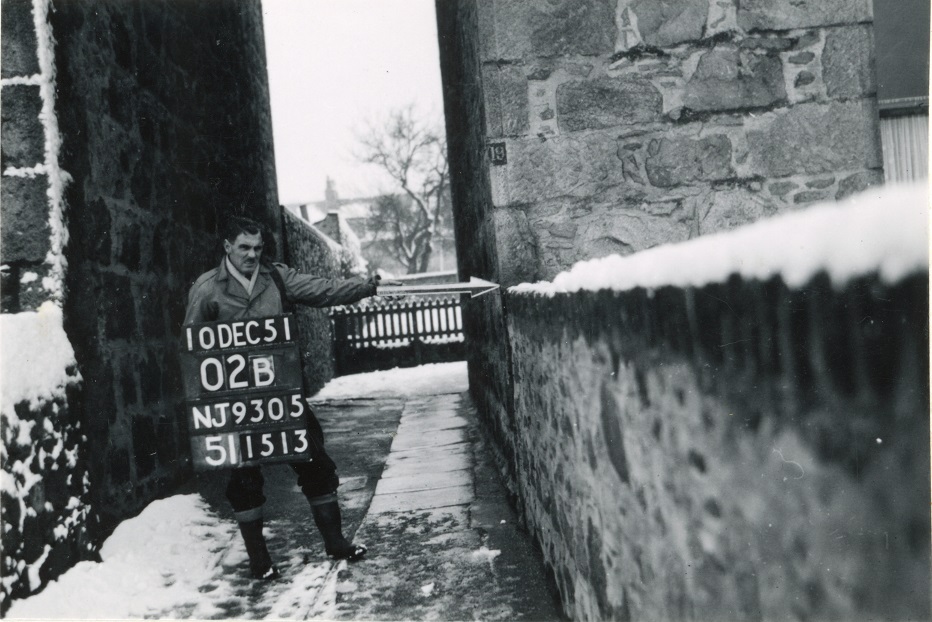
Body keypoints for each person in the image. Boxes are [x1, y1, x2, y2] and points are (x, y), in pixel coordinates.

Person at [184, 215, 385, 580]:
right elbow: (194, 350)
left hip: (280, 394)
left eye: (257, 247)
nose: (251, 254)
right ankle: (260, 562)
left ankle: (335, 542)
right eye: (244, 247)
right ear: (227, 246)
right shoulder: (207, 289)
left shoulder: (275, 277)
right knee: (244, 479)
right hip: (236, 402)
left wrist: (366, 288)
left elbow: (321, 290)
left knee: (317, 462)